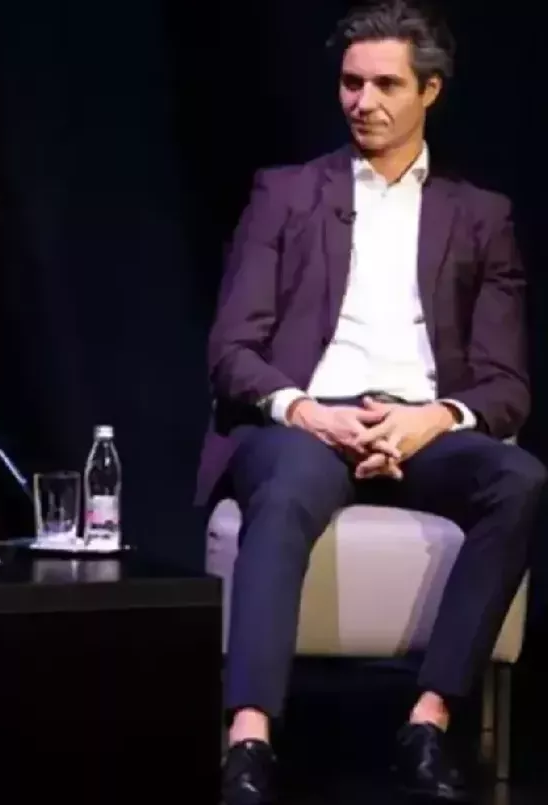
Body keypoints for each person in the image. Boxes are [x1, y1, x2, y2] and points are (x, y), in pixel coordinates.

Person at [201, 4, 539, 802]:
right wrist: (303, 409)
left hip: (420, 425)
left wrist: (431, 420)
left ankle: (429, 721)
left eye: (387, 85)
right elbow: (232, 350)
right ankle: (249, 739)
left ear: (430, 90)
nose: (364, 102)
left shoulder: (481, 215)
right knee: (285, 488)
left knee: (520, 480)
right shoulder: (286, 194)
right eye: (351, 83)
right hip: (309, 420)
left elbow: (506, 381)